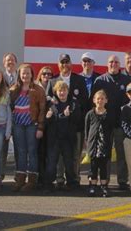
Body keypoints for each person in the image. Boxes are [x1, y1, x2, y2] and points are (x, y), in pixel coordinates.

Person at [47, 53, 89, 187]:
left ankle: (74, 178)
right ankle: (60, 179)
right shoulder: (52, 81)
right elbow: (48, 100)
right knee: (59, 155)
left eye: (67, 62)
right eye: (62, 62)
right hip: (57, 126)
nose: (65, 65)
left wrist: (74, 109)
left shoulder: (79, 80)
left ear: (71, 63)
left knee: (75, 154)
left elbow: (85, 101)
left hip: (74, 125)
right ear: (59, 65)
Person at [92, 54, 131, 190]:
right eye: (111, 62)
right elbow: (94, 102)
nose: (113, 64)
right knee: (105, 153)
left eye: (116, 62)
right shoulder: (100, 80)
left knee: (122, 153)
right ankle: (105, 179)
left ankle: (122, 180)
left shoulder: (127, 80)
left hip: (121, 124)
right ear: (107, 64)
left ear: (119, 65)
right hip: (104, 124)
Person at [9, 64, 46, 192]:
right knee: (20, 151)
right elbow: (10, 107)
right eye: (23, 73)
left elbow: (42, 109)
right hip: (18, 125)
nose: (25, 76)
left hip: (32, 124)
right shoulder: (13, 89)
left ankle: (32, 180)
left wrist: (41, 127)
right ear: (19, 75)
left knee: (32, 151)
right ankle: (20, 179)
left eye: (28, 73)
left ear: (32, 75)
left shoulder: (38, 90)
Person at [45, 81, 81, 191]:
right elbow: (46, 122)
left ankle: (71, 182)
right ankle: (49, 183)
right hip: (54, 139)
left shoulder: (73, 103)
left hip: (68, 139)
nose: (62, 93)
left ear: (68, 91)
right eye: (60, 90)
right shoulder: (51, 104)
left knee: (69, 162)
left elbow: (78, 120)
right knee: (52, 163)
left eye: (64, 90)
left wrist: (69, 116)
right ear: (56, 91)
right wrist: (48, 117)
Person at [85, 90, 116, 197]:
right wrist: (87, 143)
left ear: (106, 101)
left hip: (105, 145)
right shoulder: (90, 114)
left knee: (103, 167)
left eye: (102, 99)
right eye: (98, 98)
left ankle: (104, 186)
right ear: (94, 100)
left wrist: (111, 144)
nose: (100, 101)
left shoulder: (109, 115)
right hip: (93, 145)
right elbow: (87, 129)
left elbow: (112, 130)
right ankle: (92, 186)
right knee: (93, 167)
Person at [35, 65, 54, 185]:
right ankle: (39, 177)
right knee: (38, 152)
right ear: (40, 76)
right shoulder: (35, 88)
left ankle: (48, 178)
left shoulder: (54, 88)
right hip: (37, 124)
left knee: (49, 152)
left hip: (51, 126)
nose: (46, 76)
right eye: (44, 74)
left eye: (49, 74)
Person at [1, 52, 18, 181]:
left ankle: (19, 175)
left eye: (12, 60)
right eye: (8, 60)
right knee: (2, 149)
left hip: (19, 117)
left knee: (19, 148)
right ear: (4, 63)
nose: (10, 62)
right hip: (3, 118)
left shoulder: (21, 77)